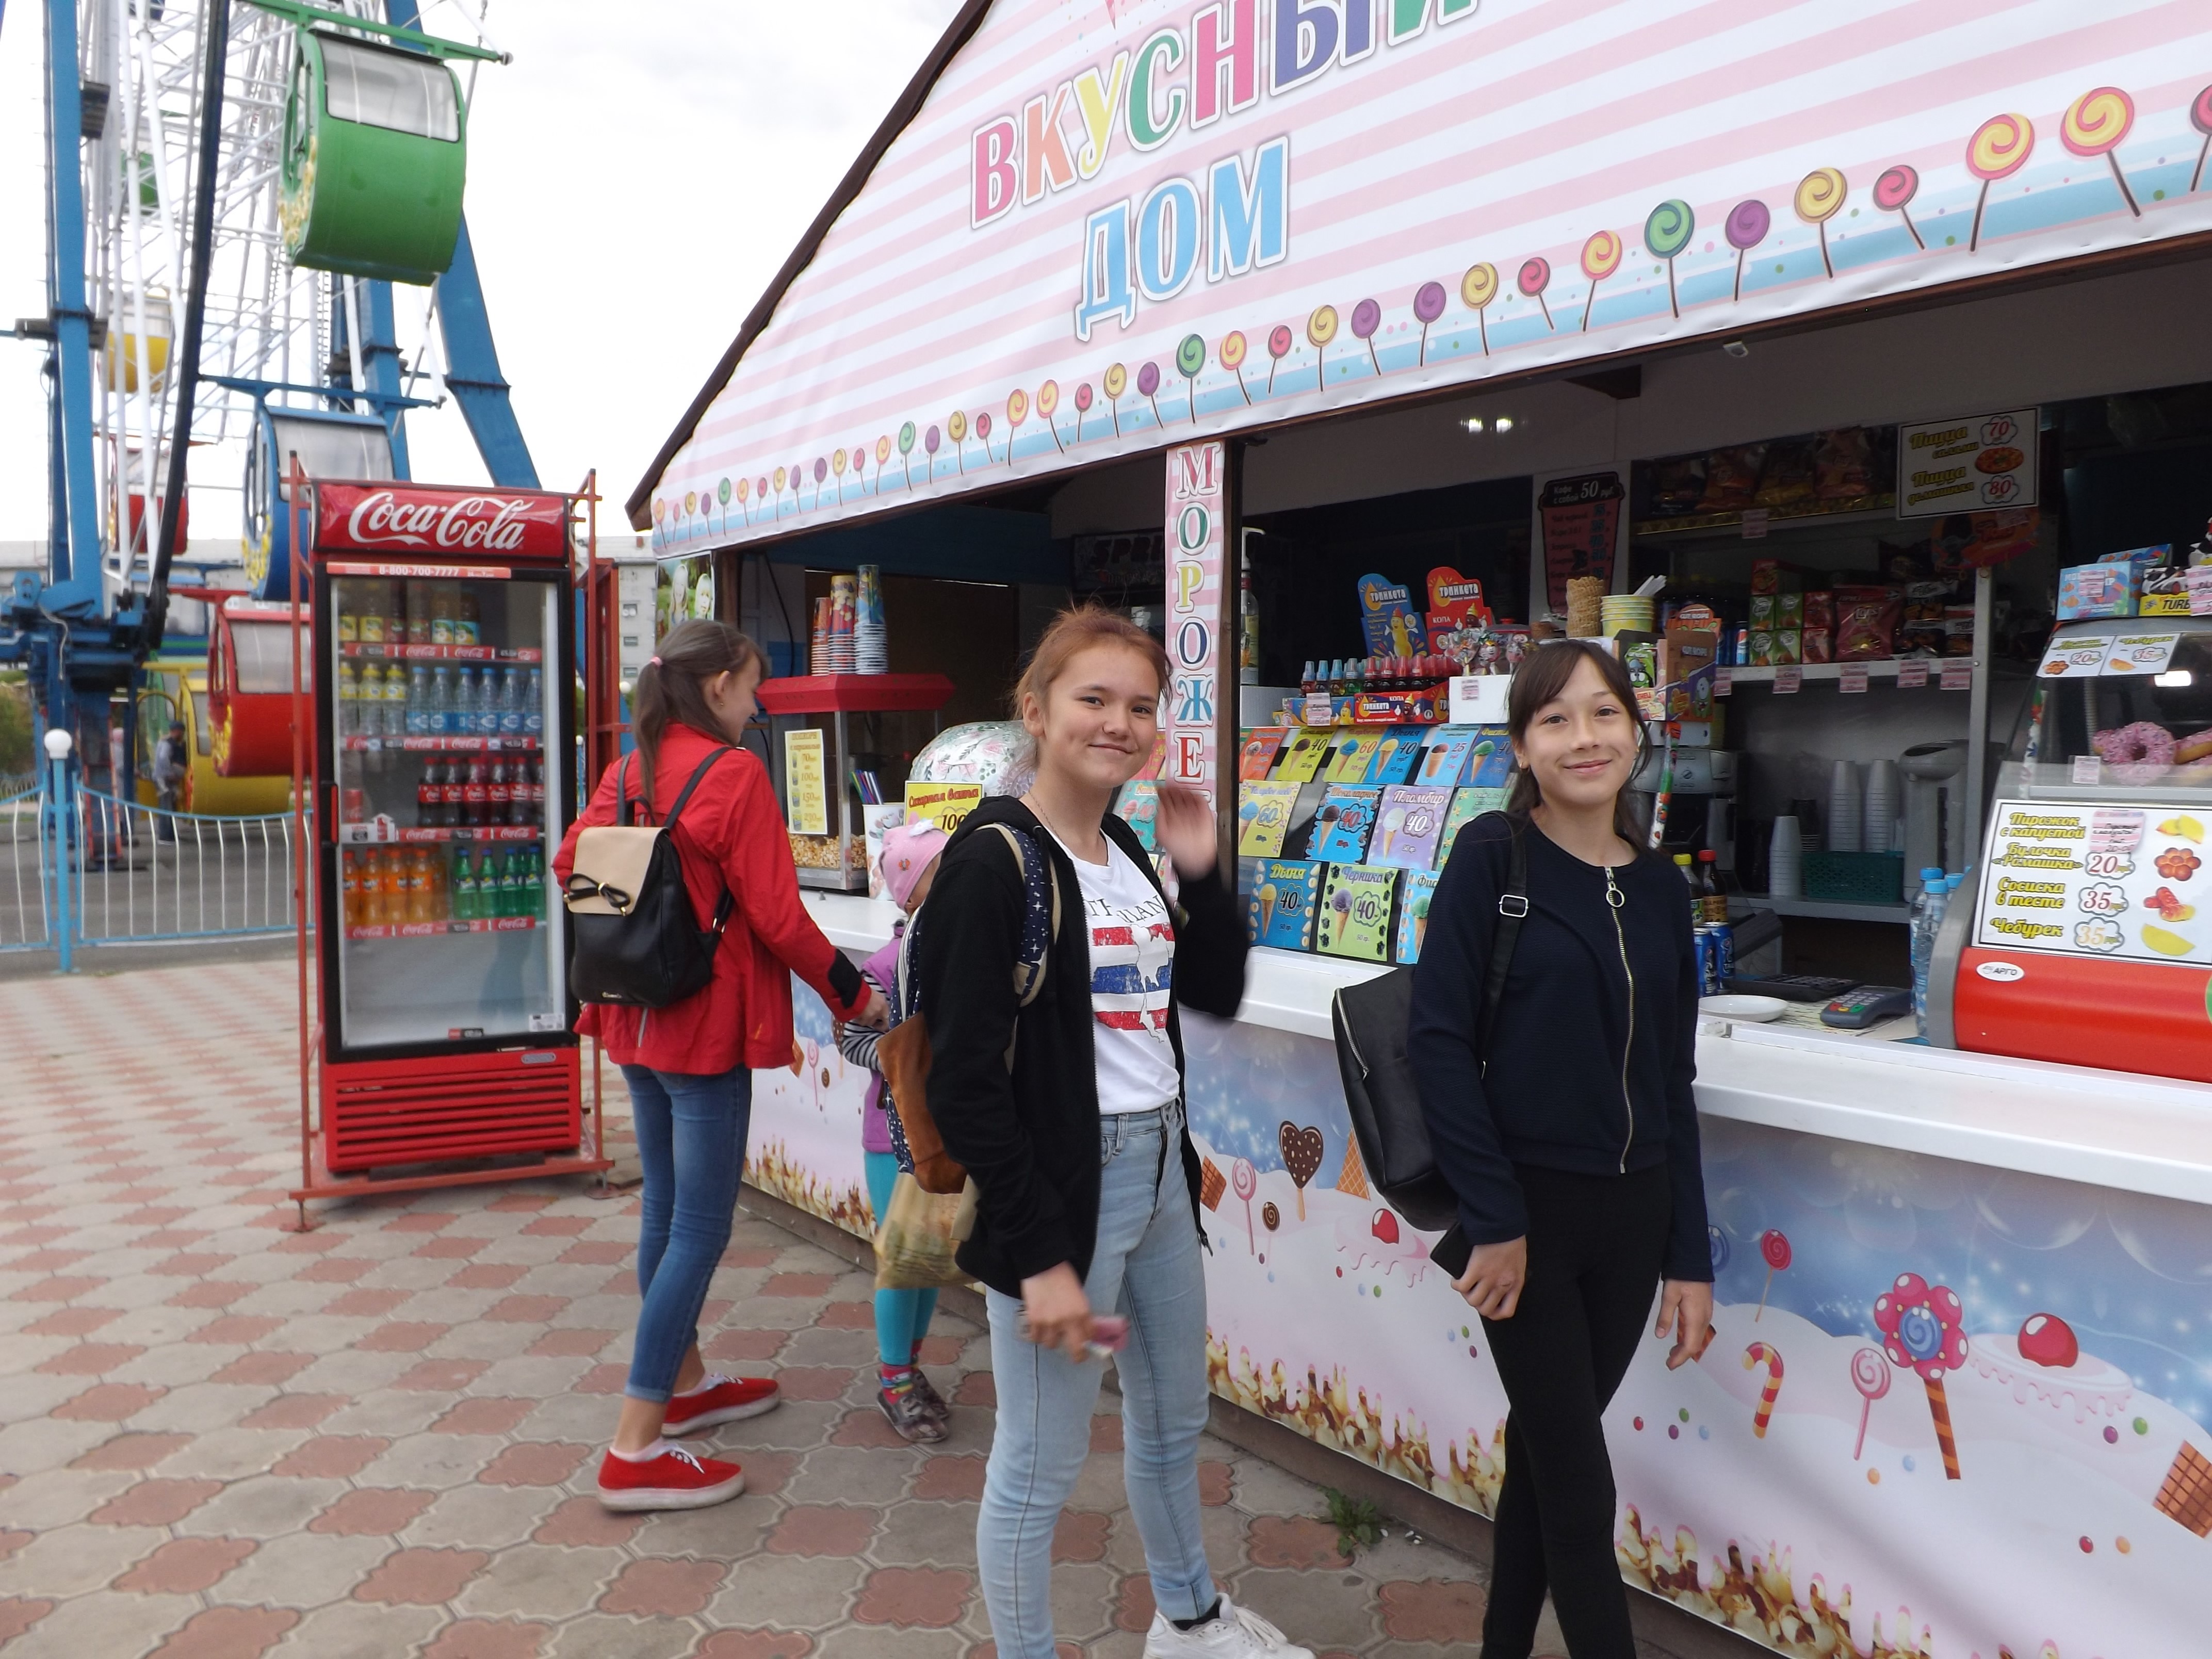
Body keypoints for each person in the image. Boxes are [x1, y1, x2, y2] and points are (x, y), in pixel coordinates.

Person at [920, 605, 1312, 1659]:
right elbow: (964, 1083)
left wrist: (1203, 872)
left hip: (1158, 1175)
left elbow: (1211, 993)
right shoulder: (991, 862)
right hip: (1062, 1190)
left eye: (1140, 707)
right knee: (1038, 1463)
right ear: (1036, 709)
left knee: (1172, 1420)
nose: (1118, 724)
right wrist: (1041, 1257)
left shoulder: (1125, 846)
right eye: (1092, 698)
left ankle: (1188, 1622)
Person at [1407, 639, 1714, 1659]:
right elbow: (1437, 1044)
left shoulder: (1661, 888)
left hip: (1631, 1222)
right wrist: (1494, 1220)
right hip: (1524, 1222)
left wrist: (1687, 1256)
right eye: (1554, 719)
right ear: (1520, 746)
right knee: (1580, 1494)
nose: (1583, 738)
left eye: (1602, 713)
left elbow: (1670, 1081)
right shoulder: (1491, 859)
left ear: (1635, 729)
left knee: (1546, 1459)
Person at [552, 620, 885, 1512]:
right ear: (715, 687)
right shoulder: (732, 774)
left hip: (633, 1013)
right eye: (751, 685)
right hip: (704, 1027)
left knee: (664, 1211)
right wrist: (855, 995)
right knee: (699, 1228)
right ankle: (634, 1446)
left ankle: (686, 1385)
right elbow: (779, 918)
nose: (758, 703)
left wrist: (658, 896)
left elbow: (570, 862)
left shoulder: (629, 770)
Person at [834, 818, 952, 1442]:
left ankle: (909, 1366)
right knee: (901, 1261)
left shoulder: (960, 955)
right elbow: (852, 1038)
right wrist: (905, 1054)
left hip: (943, 1134)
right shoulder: (884, 965)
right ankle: (893, 1378)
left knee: (928, 1260)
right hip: (891, 1136)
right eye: (942, 872)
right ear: (911, 892)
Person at [152, 719, 187, 840]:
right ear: (177, 731)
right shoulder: (167, 743)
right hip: (164, 779)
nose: (182, 734)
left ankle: (171, 834)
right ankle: (165, 836)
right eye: (181, 732)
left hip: (165, 778)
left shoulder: (168, 742)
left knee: (170, 806)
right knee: (166, 807)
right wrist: (170, 773)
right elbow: (163, 758)